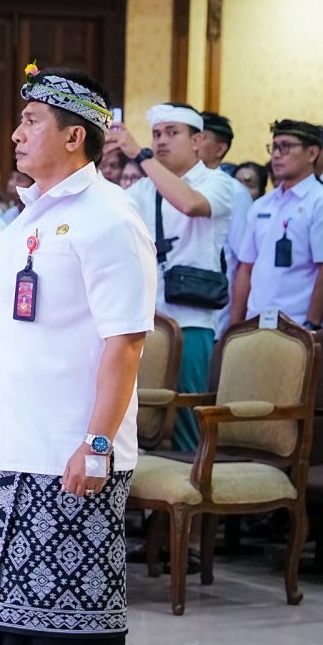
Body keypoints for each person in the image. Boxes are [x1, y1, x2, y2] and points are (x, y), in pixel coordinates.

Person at [0, 66, 154, 645]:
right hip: (22, 445)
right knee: (31, 612)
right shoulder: (31, 215)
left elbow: (126, 342)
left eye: (32, 121)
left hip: (78, 450)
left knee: (81, 609)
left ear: (74, 136)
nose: (16, 133)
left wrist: (99, 443)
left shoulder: (110, 215)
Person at [107, 104, 235, 451]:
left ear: (197, 140)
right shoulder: (143, 190)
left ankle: (187, 495)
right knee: (140, 412)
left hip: (192, 317)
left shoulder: (218, 182)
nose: (161, 141)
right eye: (156, 134)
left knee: (187, 415)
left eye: (172, 133)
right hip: (145, 318)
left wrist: (141, 155)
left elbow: (190, 204)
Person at [230, 120, 323, 331]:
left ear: (312, 153)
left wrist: (311, 326)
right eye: (274, 148)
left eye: (286, 147)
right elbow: (246, 268)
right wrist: (235, 327)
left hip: (297, 324)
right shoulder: (261, 205)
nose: (276, 155)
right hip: (256, 322)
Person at [197, 113, 252, 338]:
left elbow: (243, 261)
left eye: (201, 137)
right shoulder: (173, 186)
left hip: (216, 312)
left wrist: (235, 323)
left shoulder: (234, 191)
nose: (194, 142)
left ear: (220, 149)